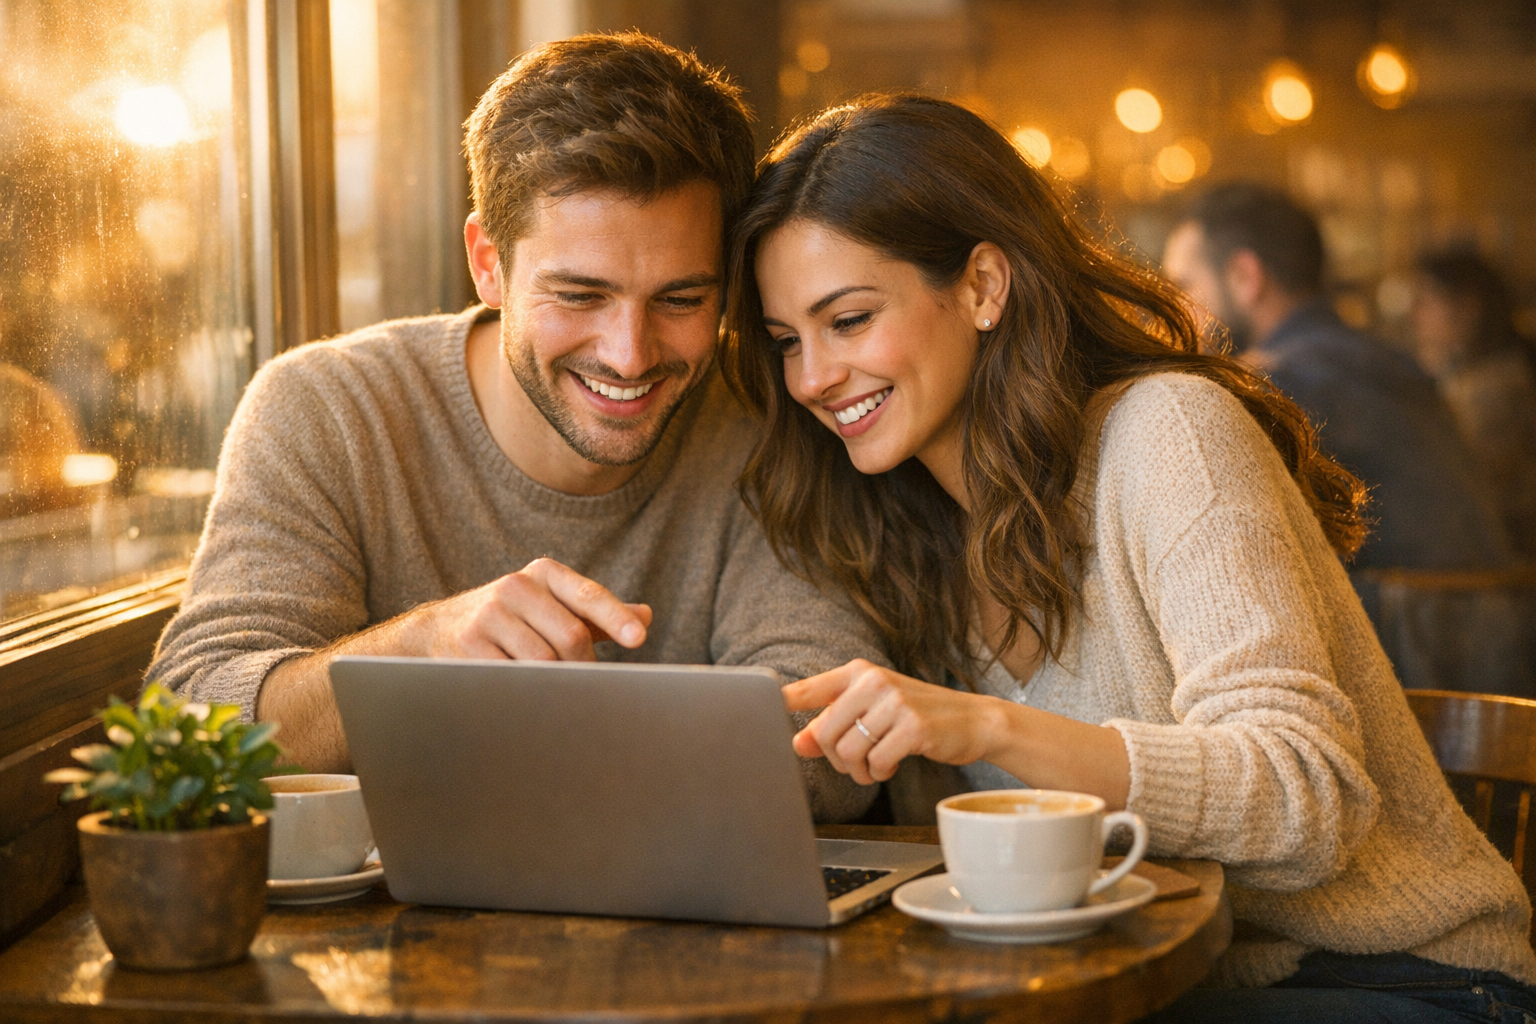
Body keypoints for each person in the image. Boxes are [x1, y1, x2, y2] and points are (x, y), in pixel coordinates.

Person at [720, 93, 1536, 1021]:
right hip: (1147, 986)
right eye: (788, 342)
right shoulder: (898, 525)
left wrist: (989, 728)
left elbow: (1305, 798)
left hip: (1388, 979)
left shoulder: (1166, 435)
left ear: (985, 285)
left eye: (850, 320)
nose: (813, 378)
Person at [147, 33, 885, 823]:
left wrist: (529, 735)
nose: (629, 355)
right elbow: (187, 733)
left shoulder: (766, 416)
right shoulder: (325, 410)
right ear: (487, 262)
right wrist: (420, 652)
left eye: (680, 300)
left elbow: (842, 743)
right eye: (579, 295)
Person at [1162, 183, 1512, 580]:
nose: (1178, 311)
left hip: (1406, 635)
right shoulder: (1379, 358)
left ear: (1245, 277)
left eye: (1184, 286)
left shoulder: (1278, 382)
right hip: (1484, 627)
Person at [1412, 248, 1536, 558]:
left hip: (1502, 564)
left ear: (1468, 306)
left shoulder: (1497, 387)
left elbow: (1454, 479)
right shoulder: (1478, 372)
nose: (1415, 311)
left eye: (1427, 299)